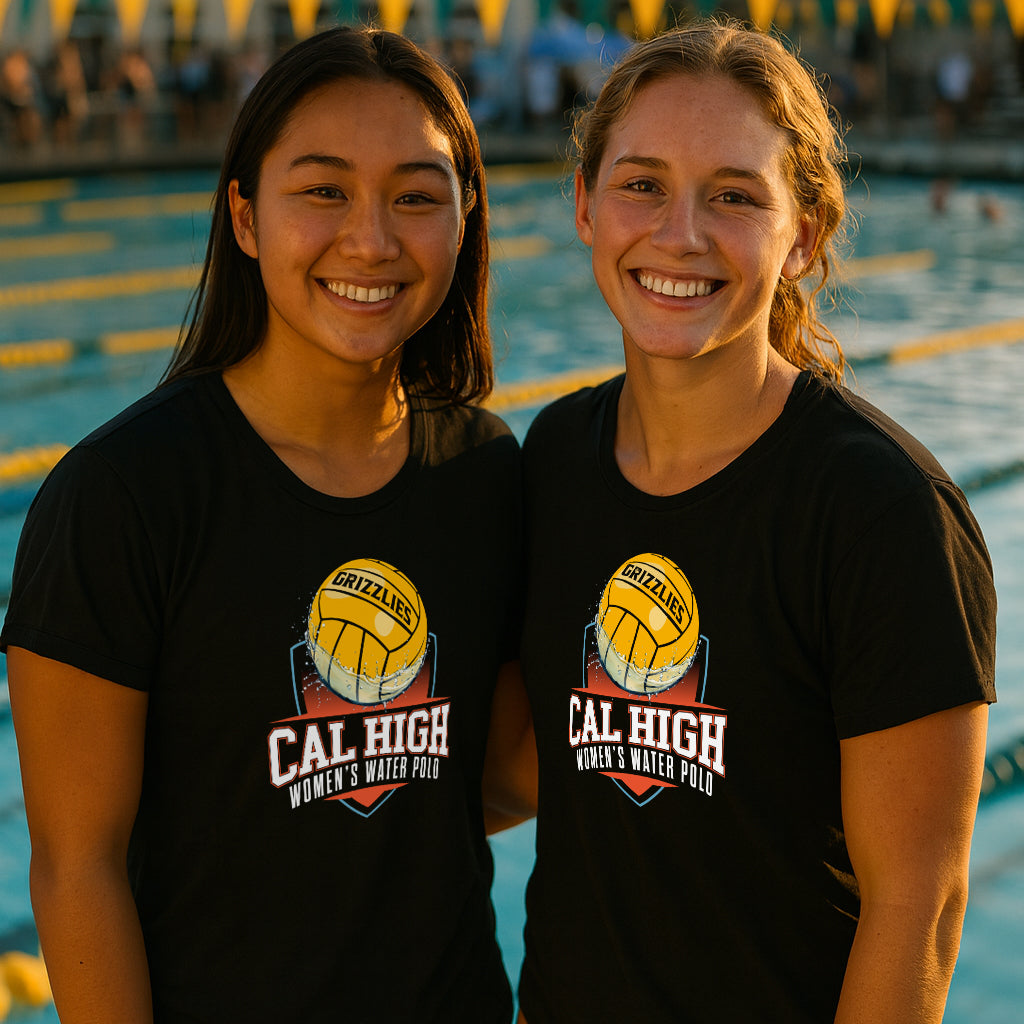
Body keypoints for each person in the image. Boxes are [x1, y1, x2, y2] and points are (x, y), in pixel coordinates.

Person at [2, 27, 523, 1024]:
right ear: (243, 215)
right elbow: (76, 868)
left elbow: (489, 774)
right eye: (322, 190)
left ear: (465, 221)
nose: (370, 239)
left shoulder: (482, 471)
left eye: (416, 196)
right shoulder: (124, 496)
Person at [515, 21, 996, 1024]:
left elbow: (918, 907)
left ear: (804, 232)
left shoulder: (881, 512)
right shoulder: (554, 458)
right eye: (640, 183)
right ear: (584, 206)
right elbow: (522, 767)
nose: (679, 233)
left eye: (734, 195)